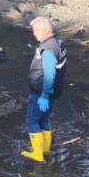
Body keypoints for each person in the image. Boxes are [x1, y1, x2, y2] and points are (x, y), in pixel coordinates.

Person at [20, 16, 67, 163]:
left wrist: (45, 95)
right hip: (55, 90)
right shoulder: (58, 43)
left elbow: (49, 73)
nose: (35, 34)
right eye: (34, 31)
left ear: (47, 29)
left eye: (38, 30)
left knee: (32, 120)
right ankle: (45, 150)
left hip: (42, 93)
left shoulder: (47, 49)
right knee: (44, 118)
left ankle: (37, 154)